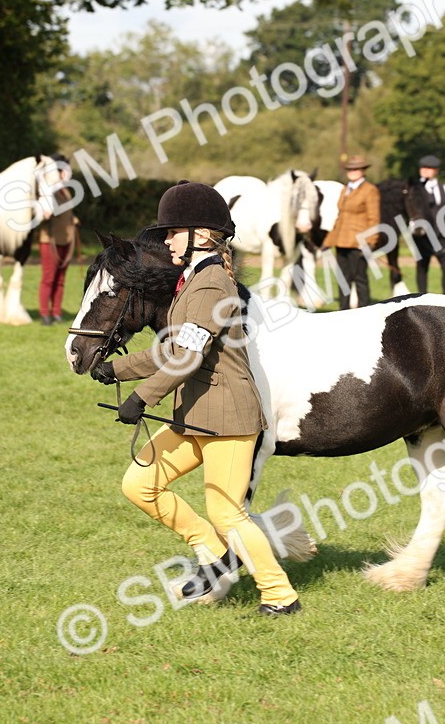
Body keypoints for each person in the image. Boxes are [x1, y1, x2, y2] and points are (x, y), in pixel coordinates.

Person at [91, 181, 301, 616]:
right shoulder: (194, 279)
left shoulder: (210, 285)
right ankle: (215, 553)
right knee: (140, 485)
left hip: (227, 419)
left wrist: (141, 398)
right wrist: (118, 369)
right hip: (195, 414)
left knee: (227, 514)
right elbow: (173, 346)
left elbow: (188, 355)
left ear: (202, 235)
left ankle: (280, 595)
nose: (167, 240)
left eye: (173, 232)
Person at [322, 155, 381, 309]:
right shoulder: (345, 189)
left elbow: (374, 218)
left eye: (356, 169)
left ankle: (364, 312)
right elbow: (340, 217)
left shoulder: (370, 190)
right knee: (343, 280)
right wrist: (328, 241)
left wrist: (370, 242)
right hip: (341, 241)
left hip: (358, 243)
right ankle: (343, 312)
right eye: (350, 169)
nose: (352, 172)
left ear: (363, 171)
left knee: (360, 280)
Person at [406, 154, 445, 295]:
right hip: (421, 236)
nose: (425, 170)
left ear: (436, 170)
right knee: (422, 268)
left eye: (429, 168)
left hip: (442, 235)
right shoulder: (412, 188)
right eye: (423, 167)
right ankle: (421, 297)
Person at [38, 154, 78, 325]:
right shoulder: (47, 192)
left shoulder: (65, 191)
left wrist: (73, 219)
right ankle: (44, 313)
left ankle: (56, 312)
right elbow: (42, 213)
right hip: (50, 239)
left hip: (66, 239)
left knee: (60, 279)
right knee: (49, 278)